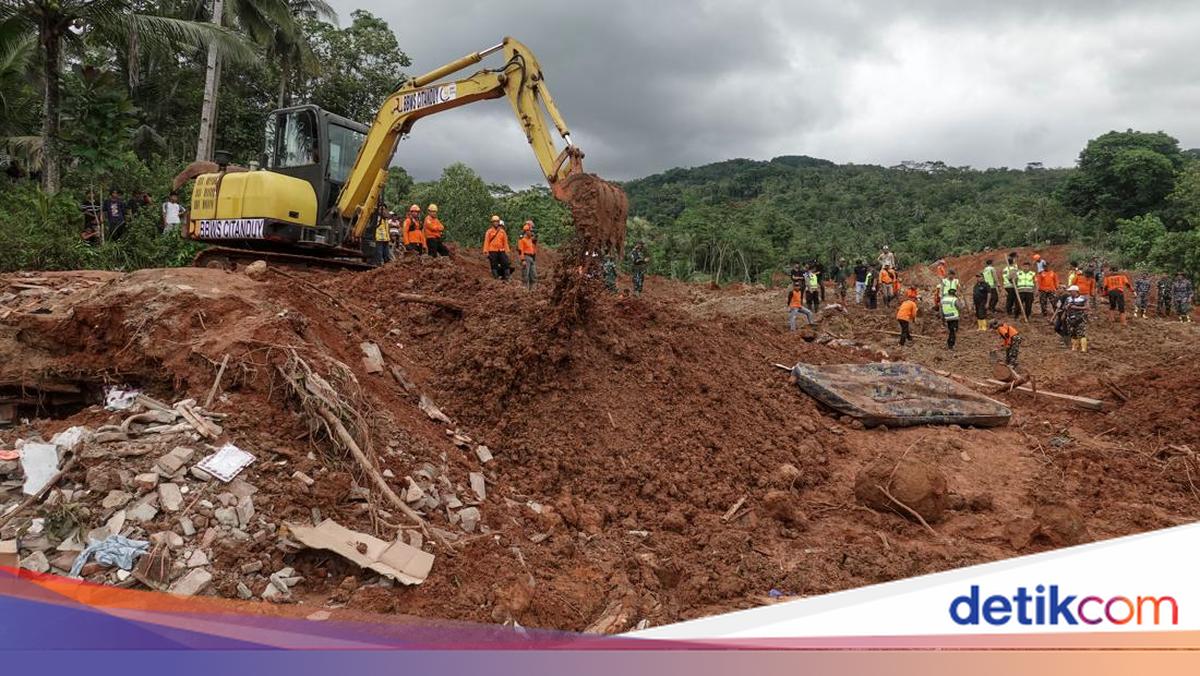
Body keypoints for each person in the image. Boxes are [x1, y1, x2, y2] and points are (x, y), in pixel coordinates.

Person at [483, 215, 512, 280]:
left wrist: (507, 251)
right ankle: (496, 278)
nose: (496, 223)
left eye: (497, 222)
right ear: (492, 223)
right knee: (494, 265)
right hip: (492, 250)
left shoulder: (502, 232)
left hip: (501, 250)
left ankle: (507, 277)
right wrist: (486, 251)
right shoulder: (489, 232)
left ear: (498, 222)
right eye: (494, 222)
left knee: (506, 263)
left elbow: (505, 242)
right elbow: (486, 242)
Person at [1064, 285, 1089, 352]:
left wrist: (1076, 307)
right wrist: (1067, 307)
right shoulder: (1068, 299)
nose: (1070, 293)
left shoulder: (1083, 298)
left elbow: (1087, 307)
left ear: (1075, 291)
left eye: (1071, 291)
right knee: (1072, 332)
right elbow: (1065, 307)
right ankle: (1074, 346)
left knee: (1081, 333)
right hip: (1070, 318)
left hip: (1080, 318)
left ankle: (1083, 348)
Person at [517, 222, 538, 289]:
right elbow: (520, 251)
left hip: (531, 258)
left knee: (533, 275)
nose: (532, 233)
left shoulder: (530, 240)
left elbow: (533, 248)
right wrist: (522, 260)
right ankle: (525, 289)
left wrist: (534, 257)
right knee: (525, 275)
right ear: (526, 231)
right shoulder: (522, 240)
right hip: (526, 257)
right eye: (530, 231)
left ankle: (533, 290)